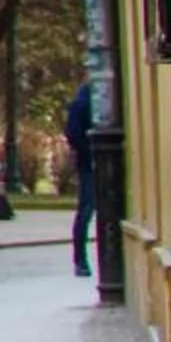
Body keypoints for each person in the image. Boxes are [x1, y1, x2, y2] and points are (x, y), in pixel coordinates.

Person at [67, 80, 98, 276]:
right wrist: (88, 151)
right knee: (86, 210)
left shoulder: (85, 95)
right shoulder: (85, 97)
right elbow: (73, 132)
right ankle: (80, 260)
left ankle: (81, 261)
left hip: (90, 160)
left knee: (86, 210)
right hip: (90, 163)